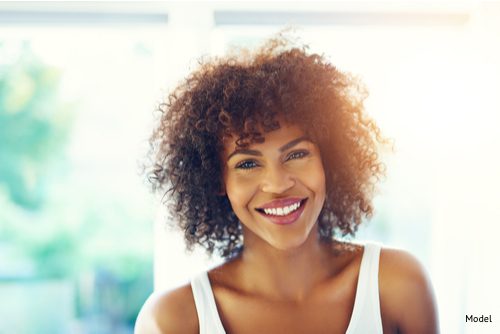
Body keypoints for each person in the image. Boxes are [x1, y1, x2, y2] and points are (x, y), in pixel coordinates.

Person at [135, 36, 439, 333]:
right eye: (248, 163)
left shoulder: (398, 286)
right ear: (216, 178)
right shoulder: (172, 321)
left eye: (297, 154)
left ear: (329, 160)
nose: (278, 184)